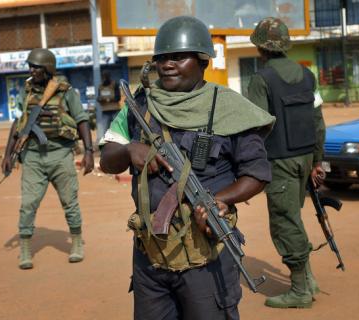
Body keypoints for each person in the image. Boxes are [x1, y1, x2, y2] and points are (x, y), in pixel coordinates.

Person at [100, 16, 274, 320]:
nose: (168, 65)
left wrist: (221, 200)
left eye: (179, 57)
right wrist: (129, 150)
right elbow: (106, 159)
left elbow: (257, 174)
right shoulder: (140, 105)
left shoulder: (230, 108)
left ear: (203, 61)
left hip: (205, 259)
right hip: (151, 258)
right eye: (162, 58)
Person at [247, 17, 327, 309]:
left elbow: (255, 127)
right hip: (305, 158)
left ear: (260, 47)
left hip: (279, 161)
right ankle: (308, 278)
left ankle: (300, 291)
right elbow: (318, 122)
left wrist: (248, 166)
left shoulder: (261, 79)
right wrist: (318, 161)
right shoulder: (308, 76)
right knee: (294, 218)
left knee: (284, 223)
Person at [1, 48, 94, 270]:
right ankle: (25, 249)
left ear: (48, 68)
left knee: (70, 202)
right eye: (30, 66)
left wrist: (89, 151)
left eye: (36, 67)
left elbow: (82, 121)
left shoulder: (65, 92)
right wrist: (8, 154)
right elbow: (19, 122)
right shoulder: (27, 91)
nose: (32, 70)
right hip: (32, 155)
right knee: (28, 204)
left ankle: (77, 242)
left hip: (60, 154)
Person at [96, 71, 122, 143]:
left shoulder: (114, 84)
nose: (104, 79)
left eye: (105, 77)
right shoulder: (100, 86)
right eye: (103, 77)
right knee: (105, 130)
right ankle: (106, 145)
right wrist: (101, 99)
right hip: (105, 111)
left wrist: (108, 99)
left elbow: (118, 97)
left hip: (115, 110)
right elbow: (98, 98)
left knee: (117, 128)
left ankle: (119, 143)